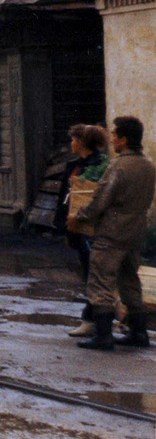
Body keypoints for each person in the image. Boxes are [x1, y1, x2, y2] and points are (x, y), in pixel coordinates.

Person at [70, 116, 156, 350]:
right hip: (136, 231)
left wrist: (79, 216)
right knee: (130, 281)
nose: (113, 140)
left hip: (112, 234)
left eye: (116, 135)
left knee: (101, 281)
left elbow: (100, 200)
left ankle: (103, 335)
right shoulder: (147, 165)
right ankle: (140, 333)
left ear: (125, 139)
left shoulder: (118, 166)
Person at [59, 124, 110, 337]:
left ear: (81, 142)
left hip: (93, 227)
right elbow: (65, 199)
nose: (71, 143)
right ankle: (97, 318)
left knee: (93, 275)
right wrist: (64, 228)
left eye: (73, 139)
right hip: (75, 225)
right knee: (89, 271)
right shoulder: (74, 165)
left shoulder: (101, 165)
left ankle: (92, 320)